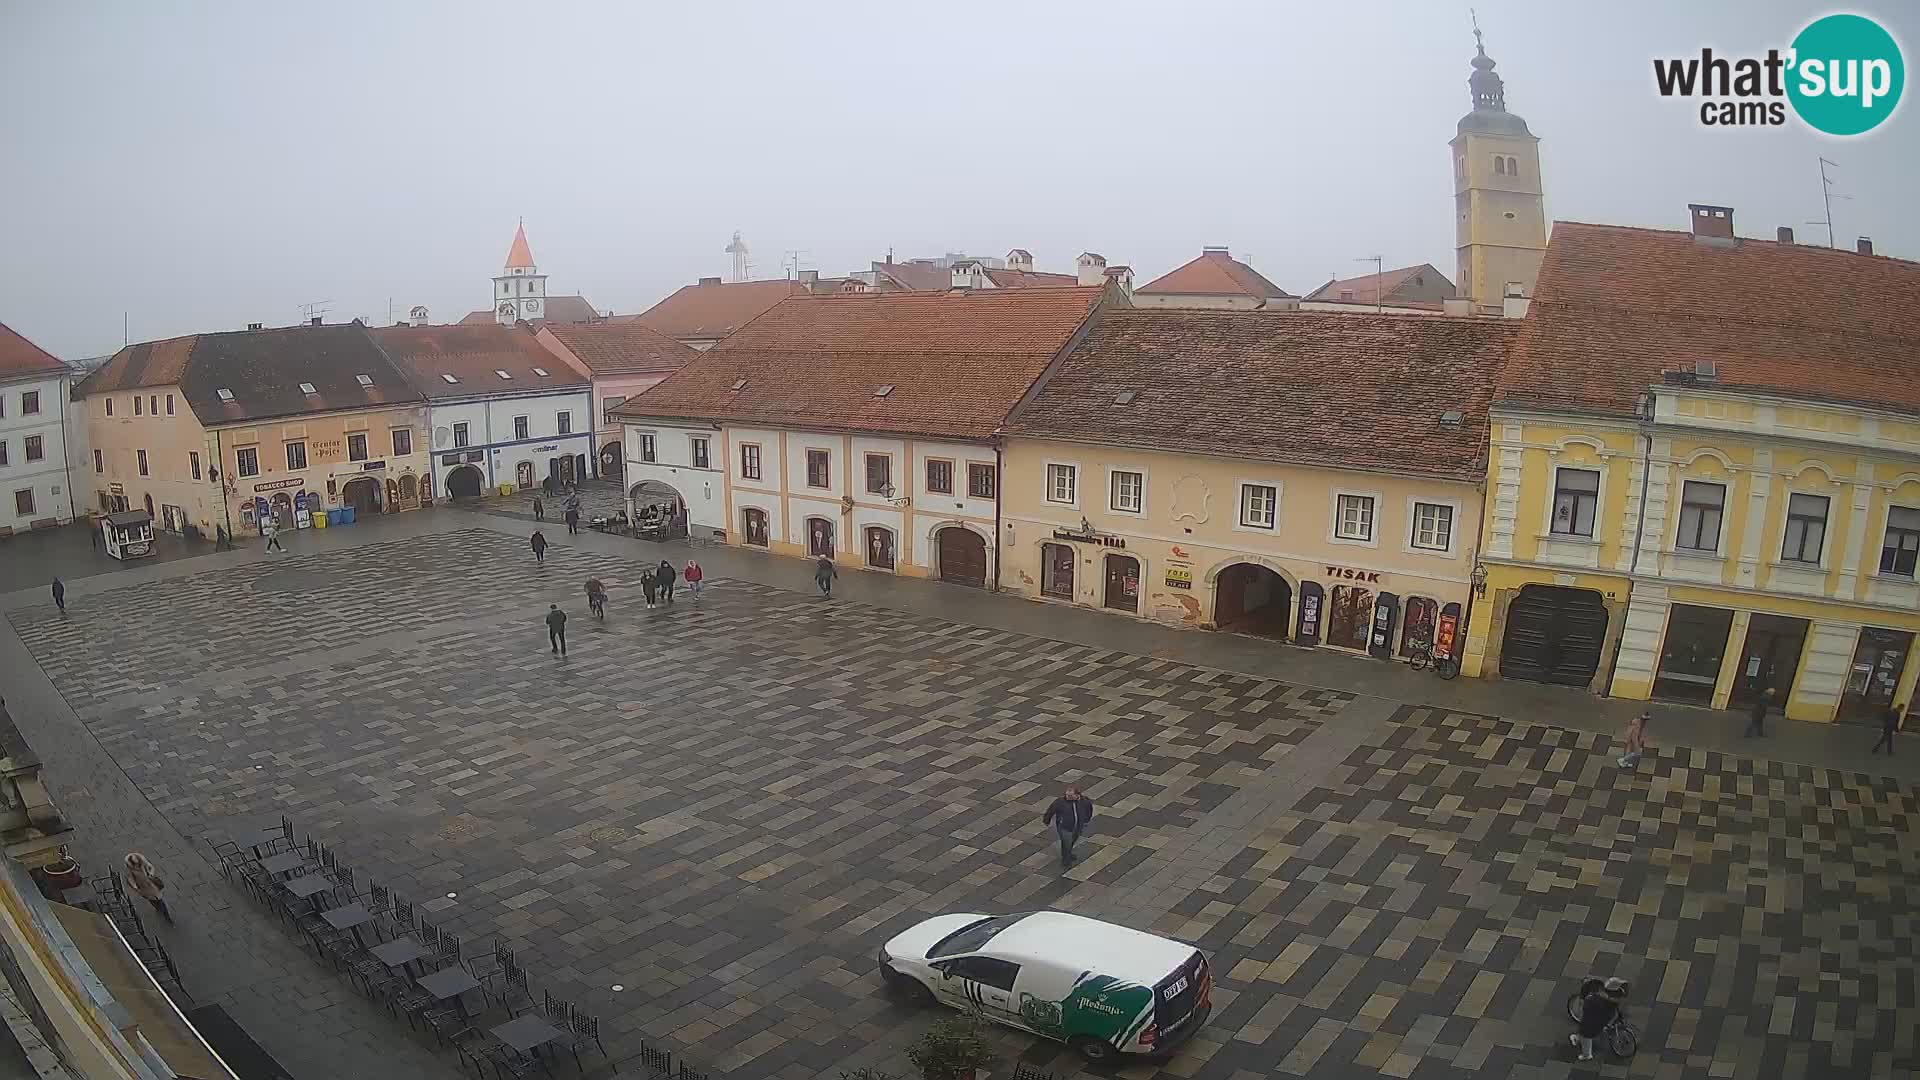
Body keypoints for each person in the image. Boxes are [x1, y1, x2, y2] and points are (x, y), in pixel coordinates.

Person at [1569, 977, 1625, 1061]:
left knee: (1586, 1035)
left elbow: (1586, 1008)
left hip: (1594, 1023)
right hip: (1608, 1017)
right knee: (1584, 1032)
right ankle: (1577, 1039)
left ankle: (1586, 1055)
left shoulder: (1594, 1000)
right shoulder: (1617, 997)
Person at [1042, 784, 1095, 868]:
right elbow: (1051, 810)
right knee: (1066, 842)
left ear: (1077, 795)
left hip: (1078, 826)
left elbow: (1089, 810)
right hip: (1064, 827)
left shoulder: (1084, 801)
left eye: (1070, 795)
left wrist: (1086, 819)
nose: (1067, 797)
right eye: (1066, 795)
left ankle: (1068, 853)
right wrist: (1046, 820)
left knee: (1072, 840)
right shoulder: (1060, 802)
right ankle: (1066, 858)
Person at [124, 852, 172, 924]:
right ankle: (157, 907)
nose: (137, 865)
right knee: (151, 900)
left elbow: (151, 867)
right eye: (135, 864)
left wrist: (150, 874)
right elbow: (130, 879)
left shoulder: (143, 862)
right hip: (143, 888)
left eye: (138, 863)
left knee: (160, 899)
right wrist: (135, 887)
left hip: (151, 884)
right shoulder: (131, 870)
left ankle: (167, 916)